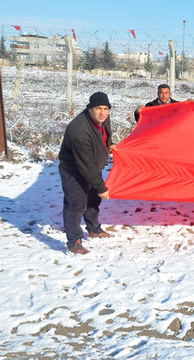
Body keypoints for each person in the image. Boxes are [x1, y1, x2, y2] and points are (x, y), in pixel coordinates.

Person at [58, 92, 115, 254]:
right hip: (73, 170)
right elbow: (86, 165)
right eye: (98, 108)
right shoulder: (79, 130)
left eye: (105, 108)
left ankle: (93, 228)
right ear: (90, 109)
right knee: (75, 205)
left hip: (91, 167)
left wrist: (108, 145)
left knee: (92, 199)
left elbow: (103, 136)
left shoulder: (103, 119)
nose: (102, 112)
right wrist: (101, 187)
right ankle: (74, 241)